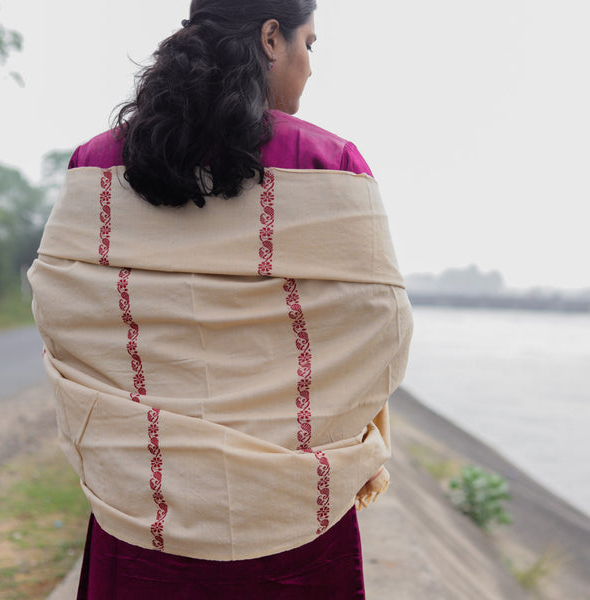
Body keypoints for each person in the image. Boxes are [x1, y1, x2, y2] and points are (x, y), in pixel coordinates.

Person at [28, 1, 413, 598]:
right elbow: (379, 332)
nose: (311, 66)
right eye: (308, 44)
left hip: (140, 514)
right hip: (294, 525)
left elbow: (63, 315)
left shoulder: (96, 165)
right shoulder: (328, 164)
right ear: (269, 38)